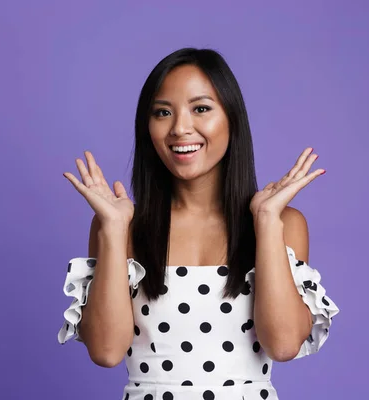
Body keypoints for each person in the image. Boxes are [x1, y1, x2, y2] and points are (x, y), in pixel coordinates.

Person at [58, 48, 340, 400]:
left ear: (232, 119)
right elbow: (106, 351)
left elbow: (283, 345)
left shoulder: (283, 223)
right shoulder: (120, 226)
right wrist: (114, 230)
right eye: (163, 112)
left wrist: (266, 221)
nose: (179, 128)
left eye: (201, 109)